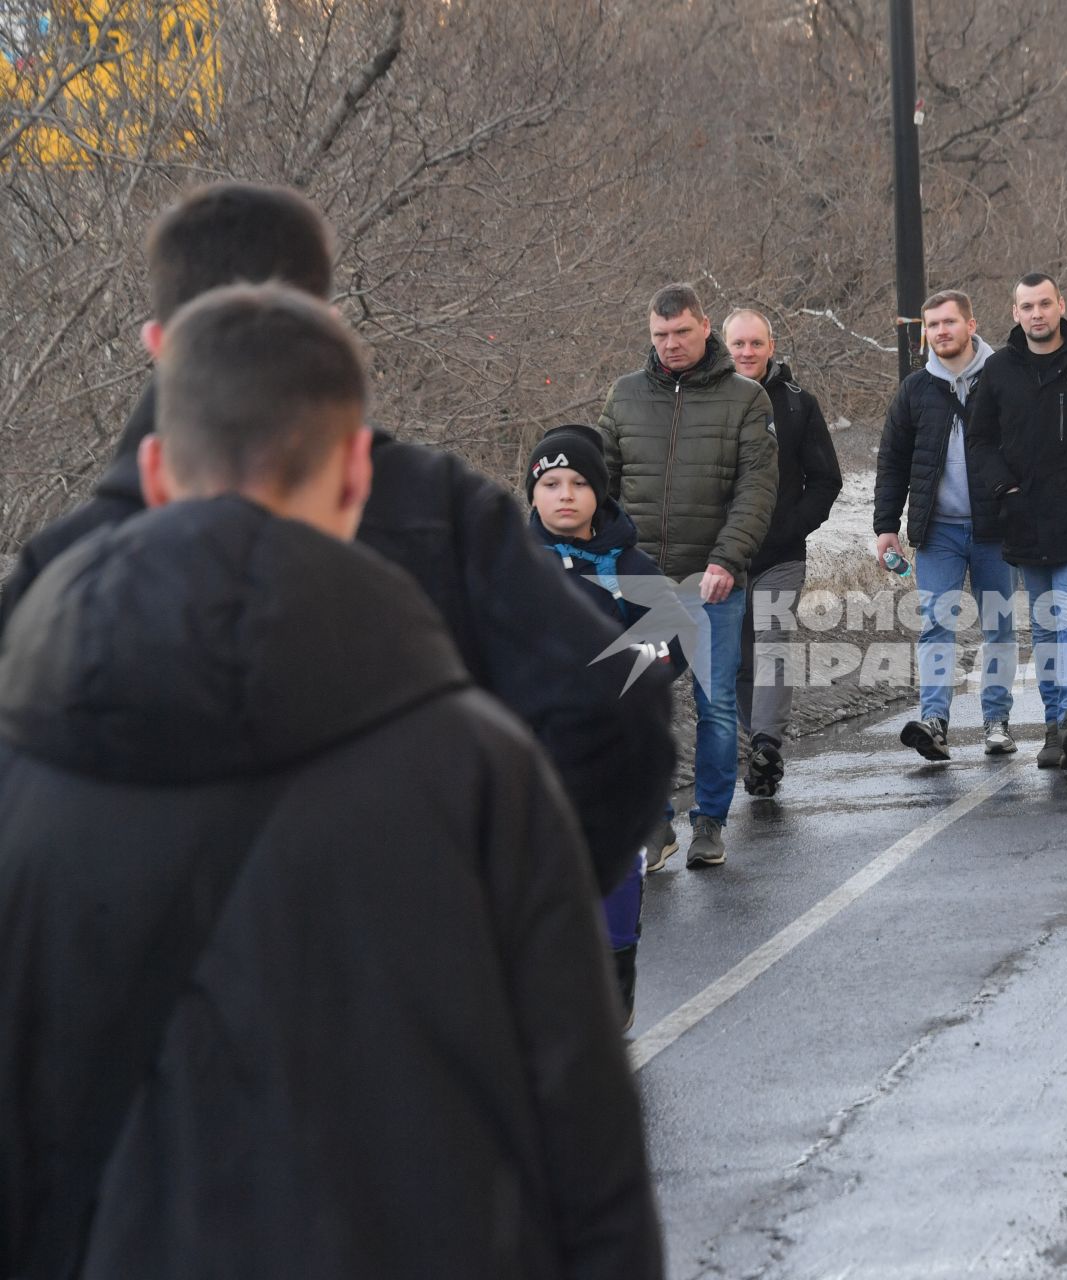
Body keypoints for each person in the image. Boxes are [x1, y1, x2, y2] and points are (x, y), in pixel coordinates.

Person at [0, 284, 664, 1279]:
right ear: (358, 474)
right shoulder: (479, 768)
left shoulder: (23, 769)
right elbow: (584, 1152)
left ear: (151, 469)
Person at [0, 182, 673, 900]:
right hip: (409, 972)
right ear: (328, 324)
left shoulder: (59, 569)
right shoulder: (444, 517)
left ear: (157, 344)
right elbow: (614, 702)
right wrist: (510, 915)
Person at [597, 284, 779, 869]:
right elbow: (602, 484)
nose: (671, 344)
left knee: (716, 705)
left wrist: (728, 559)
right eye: (660, 335)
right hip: (641, 583)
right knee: (638, 704)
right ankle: (654, 824)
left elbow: (756, 490)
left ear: (706, 328)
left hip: (712, 585)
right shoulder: (624, 397)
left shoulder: (746, 399)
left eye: (681, 332)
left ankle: (710, 820)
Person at [526, 423, 673, 1027]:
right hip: (530, 750)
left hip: (613, 747)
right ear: (532, 494)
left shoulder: (629, 564)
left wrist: (620, 682)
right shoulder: (506, 562)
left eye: (579, 483)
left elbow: (669, 641)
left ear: (600, 494)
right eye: (551, 483)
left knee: (612, 869)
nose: (565, 494)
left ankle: (617, 973)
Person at [965, 273, 1067, 770]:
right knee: (1043, 626)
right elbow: (980, 441)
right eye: (1027, 306)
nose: (1037, 313)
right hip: (1023, 517)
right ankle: (1052, 728)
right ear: (1014, 312)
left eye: (1045, 303)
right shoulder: (998, 371)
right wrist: (1005, 488)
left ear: (1061, 305)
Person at [874, 289, 1019, 762]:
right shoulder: (915, 390)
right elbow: (892, 462)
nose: (940, 332)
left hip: (997, 528)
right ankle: (934, 720)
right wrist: (886, 526)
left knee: (998, 627)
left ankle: (996, 721)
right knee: (935, 626)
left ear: (971, 324)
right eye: (932, 325)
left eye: (948, 322)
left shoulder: (1005, 377)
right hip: (938, 532)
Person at [722, 308, 843, 797]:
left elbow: (827, 480)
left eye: (756, 344)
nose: (747, 352)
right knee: (736, 659)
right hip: (721, 557)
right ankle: (758, 747)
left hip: (781, 556)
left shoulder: (798, 404)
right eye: (738, 344)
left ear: (771, 347)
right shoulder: (705, 402)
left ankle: (767, 744)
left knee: (771, 647)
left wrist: (791, 526)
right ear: (723, 347)